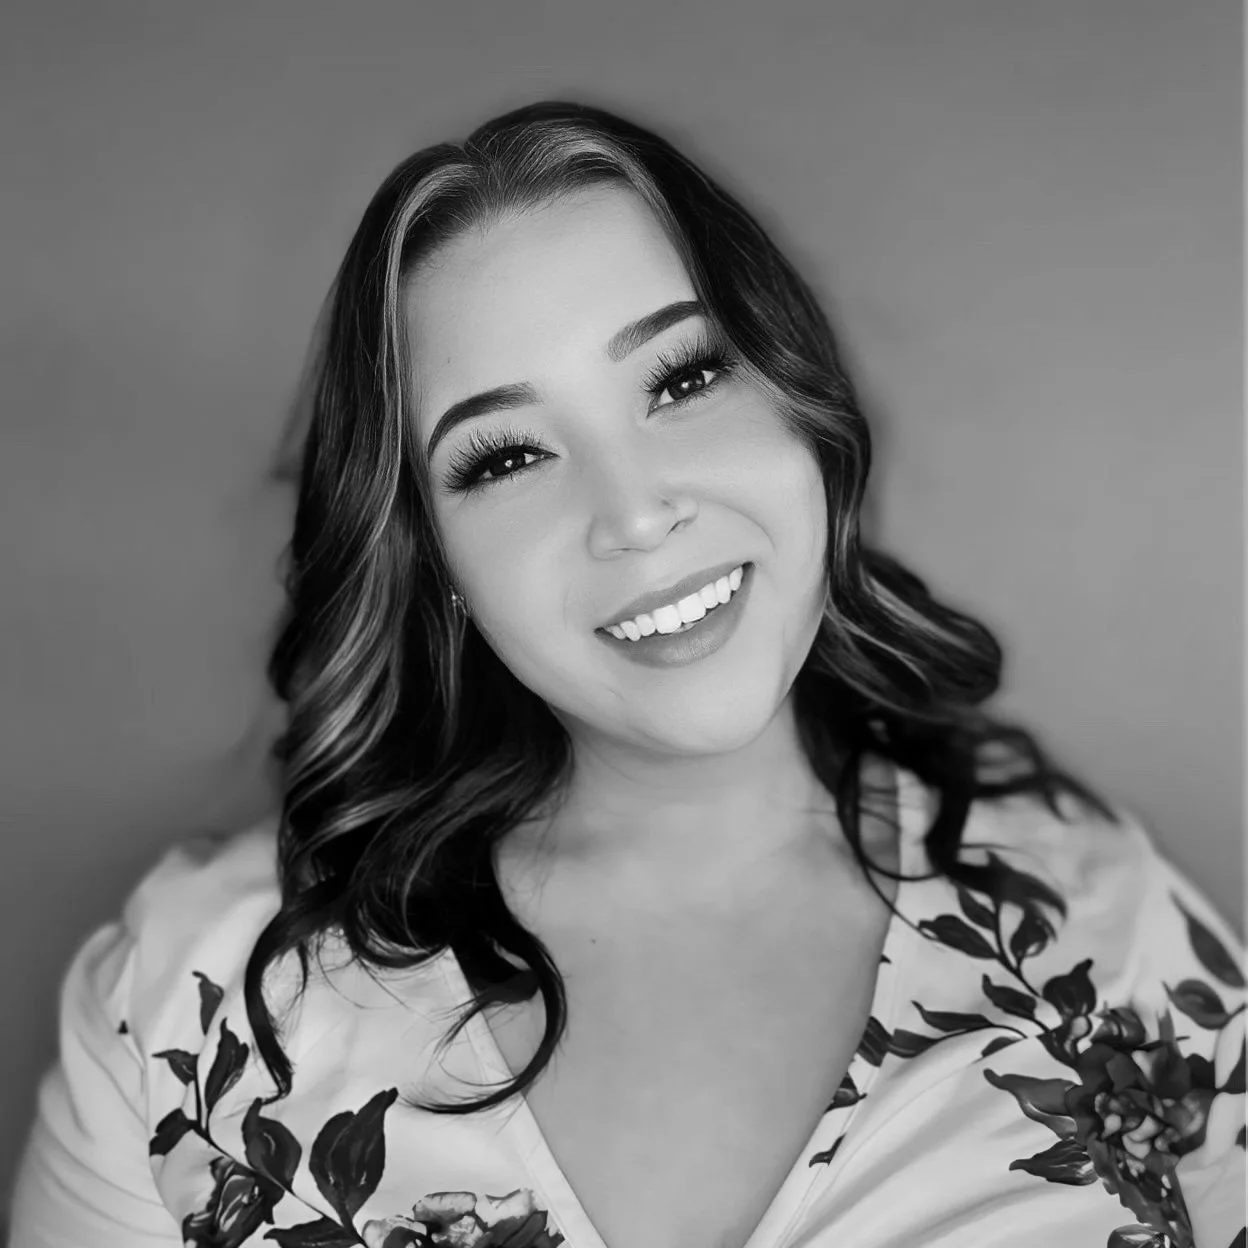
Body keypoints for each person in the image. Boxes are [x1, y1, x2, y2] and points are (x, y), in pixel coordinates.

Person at [7, 99, 1244, 1248]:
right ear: (432, 556)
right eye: (503, 458)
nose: (634, 512)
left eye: (684, 378)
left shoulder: (1107, 939)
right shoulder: (187, 1010)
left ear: (803, 409)